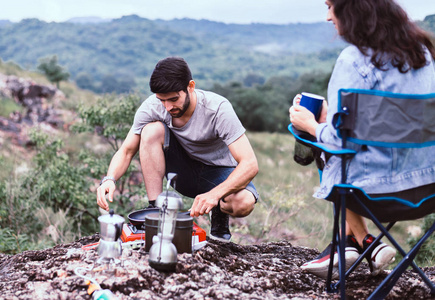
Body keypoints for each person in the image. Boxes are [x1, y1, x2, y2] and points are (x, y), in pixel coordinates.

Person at [289, 0, 435, 279]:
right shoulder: (424, 54)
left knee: (325, 148)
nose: (328, 16)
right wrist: (329, 117)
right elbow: (399, 123)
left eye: (331, 6)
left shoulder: (354, 60)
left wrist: (310, 124)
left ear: (353, 11)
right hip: (429, 188)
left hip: (373, 193)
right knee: (330, 135)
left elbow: (338, 143)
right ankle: (357, 243)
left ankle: (357, 242)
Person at [96, 57, 259, 242]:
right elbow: (126, 151)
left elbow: (250, 164)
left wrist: (214, 195)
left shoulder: (218, 109)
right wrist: (109, 179)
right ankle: (156, 210)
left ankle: (218, 213)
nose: (168, 107)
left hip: (218, 173)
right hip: (181, 173)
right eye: (162, 100)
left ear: (190, 86)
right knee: (150, 130)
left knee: (243, 203)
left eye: (174, 99)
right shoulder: (152, 107)